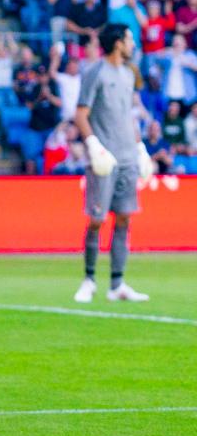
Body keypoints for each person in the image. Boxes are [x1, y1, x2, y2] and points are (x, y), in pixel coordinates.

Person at [73, 23, 154, 304]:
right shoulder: (95, 71)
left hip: (128, 156)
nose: (133, 44)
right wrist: (93, 145)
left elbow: (127, 114)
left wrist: (140, 147)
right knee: (96, 219)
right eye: (130, 39)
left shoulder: (129, 74)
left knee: (124, 217)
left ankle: (117, 283)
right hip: (104, 159)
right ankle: (89, 279)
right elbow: (81, 113)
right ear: (118, 42)